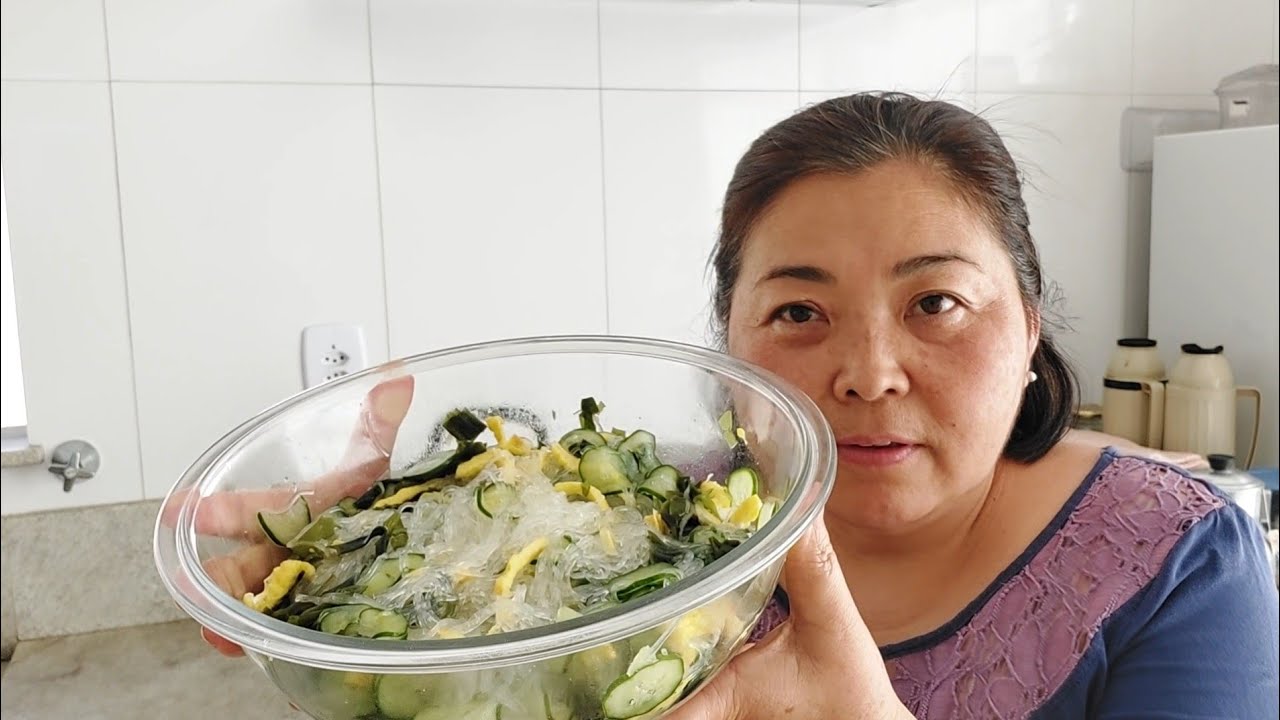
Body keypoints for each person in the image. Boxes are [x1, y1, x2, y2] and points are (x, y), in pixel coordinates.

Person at [194, 92, 1279, 718]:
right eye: (799, 314)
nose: (867, 373)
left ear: (1028, 324)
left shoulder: (1177, 567)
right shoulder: (659, 539)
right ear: (731, 346)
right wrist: (355, 561)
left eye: (935, 302)